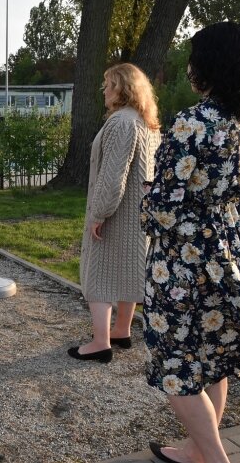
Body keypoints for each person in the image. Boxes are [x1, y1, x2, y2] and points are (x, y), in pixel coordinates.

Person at [140, 21, 240, 463]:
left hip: (183, 265)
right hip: (234, 260)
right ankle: (196, 450)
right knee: (212, 357)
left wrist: (150, 209)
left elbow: (163, 207)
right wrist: (224, 221)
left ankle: (215, 458)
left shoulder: (192, 123)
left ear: (206, 65)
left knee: (177, 367)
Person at [69, 63, 161, 363]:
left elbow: (112, 177)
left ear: (122, 87)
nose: (104, 91)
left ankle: (100, 342)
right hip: (138, 216)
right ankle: (121, 331)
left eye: (108, 85)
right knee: (128, 273)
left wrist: (99, 214)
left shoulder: (121, 123)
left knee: (98, 277)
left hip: (116, 217)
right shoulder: (146, 123)